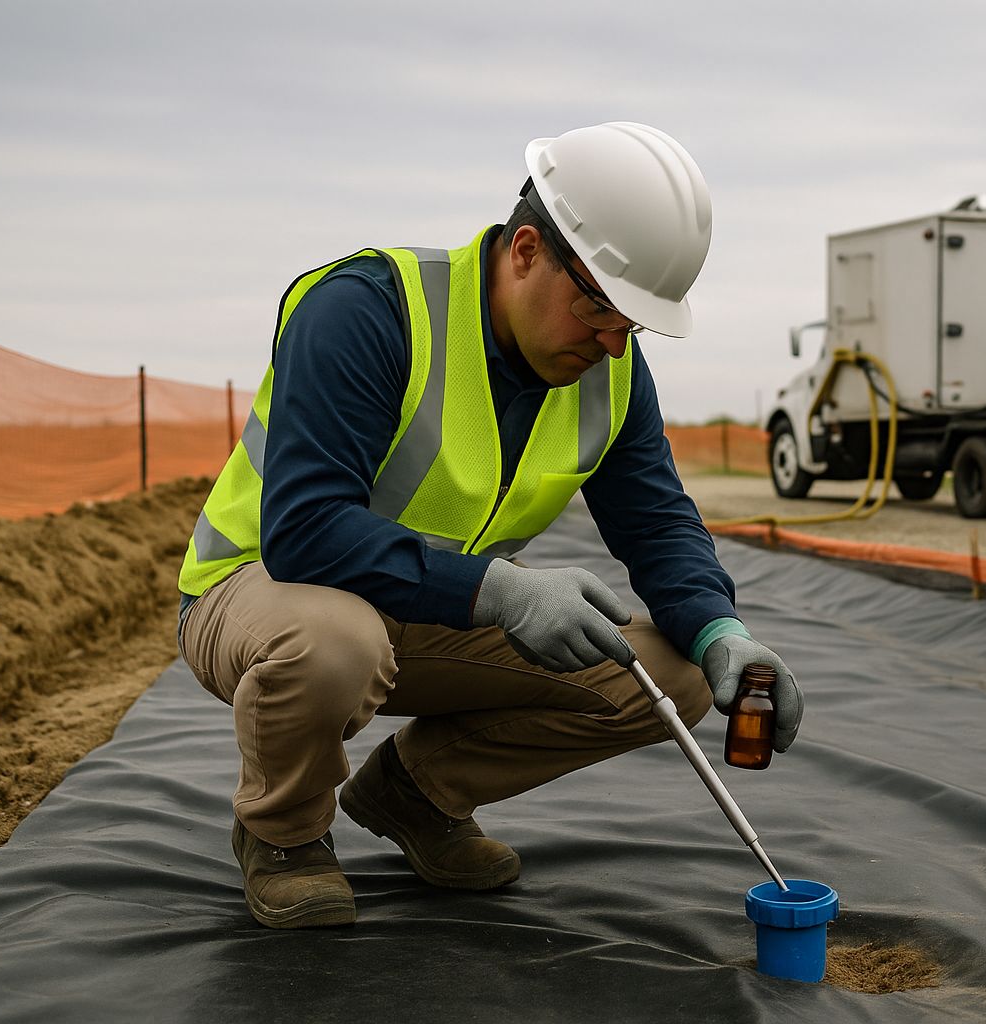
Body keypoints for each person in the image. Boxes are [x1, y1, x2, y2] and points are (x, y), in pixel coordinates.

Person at [176, 122, 803, 929]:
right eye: (601, 310)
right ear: (527, 250)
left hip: (428, 607)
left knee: (673, 678)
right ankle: (285, 835)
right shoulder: (370, 311)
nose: (614, 346)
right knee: (336, 641)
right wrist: (502, 591)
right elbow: (304, 527)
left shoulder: (609, 376)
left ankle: (417, 795)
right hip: (266, 594)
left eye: (634, 326)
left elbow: (659, 526)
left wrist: (720, 632)